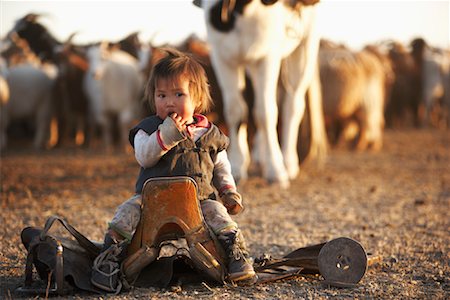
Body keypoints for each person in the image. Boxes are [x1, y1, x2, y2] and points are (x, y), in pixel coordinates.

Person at [91, 48, 256, 292]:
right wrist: (165, 137)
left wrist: (228, 192)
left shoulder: (210, 134)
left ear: (198, 98)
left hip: (199, 200)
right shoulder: (147, 129)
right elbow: (144, 158)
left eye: (179, 94)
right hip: (150, 200)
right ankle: (109, 260)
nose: (169, 101)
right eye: (161, 95)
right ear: (153, 98)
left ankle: (236, 255)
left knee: (219, 215)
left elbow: (221, 167)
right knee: (125, 214)